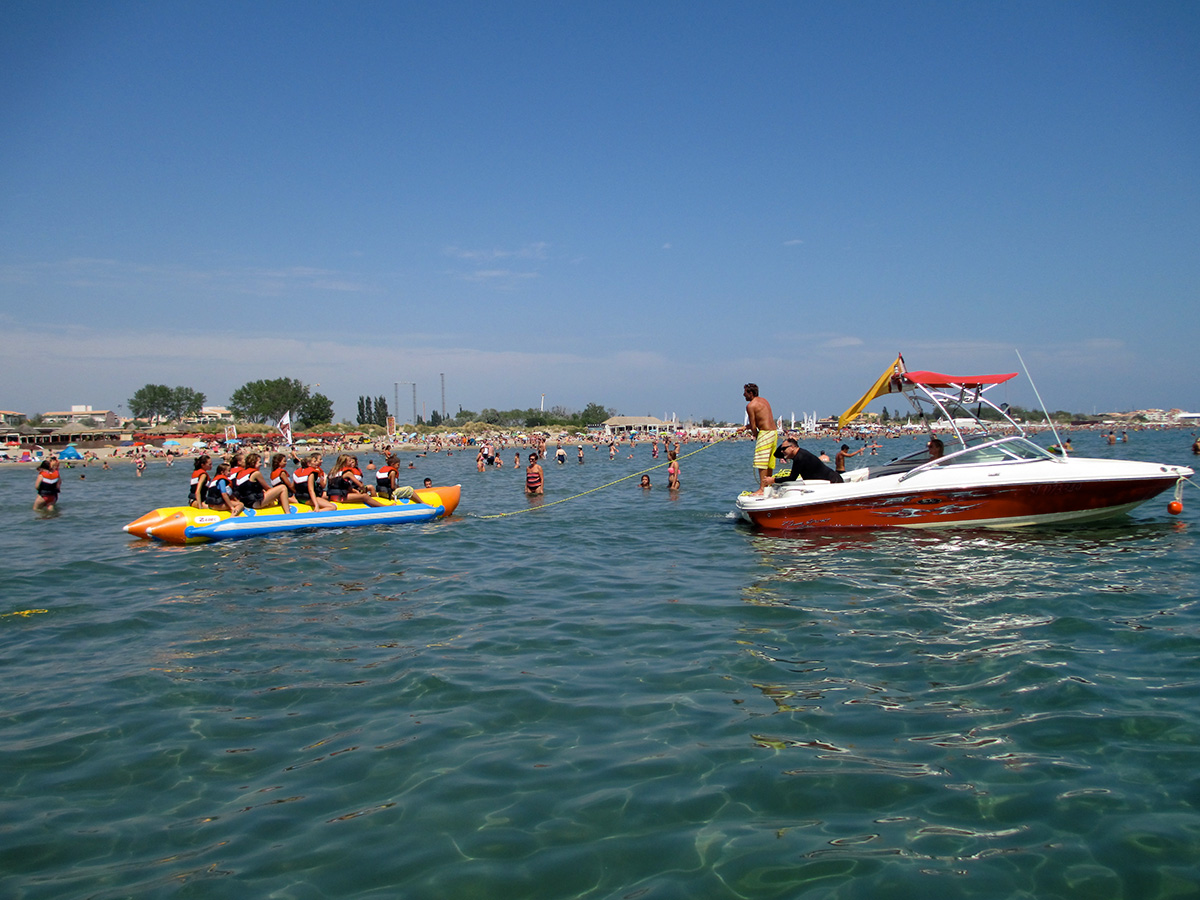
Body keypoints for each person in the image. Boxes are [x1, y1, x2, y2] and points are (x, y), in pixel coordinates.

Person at [743, 383, 777, 494]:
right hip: (773, 432)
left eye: (745, 392)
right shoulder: (764, 401)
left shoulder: (751, 406)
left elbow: (754, 425)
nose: (744, 395)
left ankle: (762, 488)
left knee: (761, 462)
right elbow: (761, 420)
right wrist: (744, 427)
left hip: (765, 433)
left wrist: (756, 435)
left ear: (751, 393)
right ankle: (769, 484)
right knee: (769, 461)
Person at [765, 439, 843, 486]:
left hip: (833, 481)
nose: (782, 451)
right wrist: (786, 442)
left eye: (784, 449)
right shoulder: (797, 454)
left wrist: (773, 480)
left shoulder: (800, 457)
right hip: (827, 481)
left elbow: (792, 478)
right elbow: (776, 454)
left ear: (792, 447)